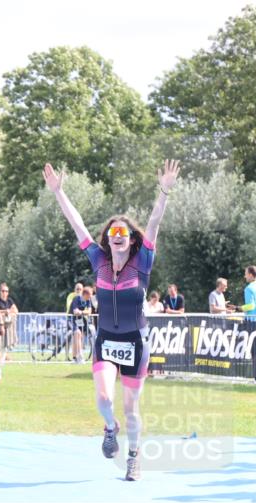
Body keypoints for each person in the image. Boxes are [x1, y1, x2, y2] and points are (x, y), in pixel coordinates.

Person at [44, 158, 180, 481]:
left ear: (131, 240)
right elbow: (77, 225)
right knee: (105, 400)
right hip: (105, 341)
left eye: (124, 232)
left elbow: (154, 223)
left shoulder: (142, 262)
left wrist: (164, 191)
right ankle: (109, 427)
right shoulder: (98, 260)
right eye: (113, 232)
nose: (118, 236)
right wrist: (59, 193)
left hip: (135, 344)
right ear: (108, 239)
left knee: (131, 409)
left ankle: (133, 457)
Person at [70, 285, 96, 363]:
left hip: (81, 320)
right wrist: (84, 312)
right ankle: (80, 356)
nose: (90, 297)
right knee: (77, 334)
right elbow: (75, 312)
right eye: (89, 296)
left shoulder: (88, 301)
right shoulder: (76, 299)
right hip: (72, 320)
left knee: (79, 337)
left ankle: (75, 358)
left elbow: (89, 312)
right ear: (85, 294)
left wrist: (81, 312)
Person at [0, 282, 19, 356]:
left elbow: (16, 311)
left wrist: (7, 312)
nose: (4, 293)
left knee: (5, 347)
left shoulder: (9, 300)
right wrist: (5, 311)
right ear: (0, 292)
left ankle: (2, 361)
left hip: (8, 326)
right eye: (3, 291)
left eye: (6, 291)